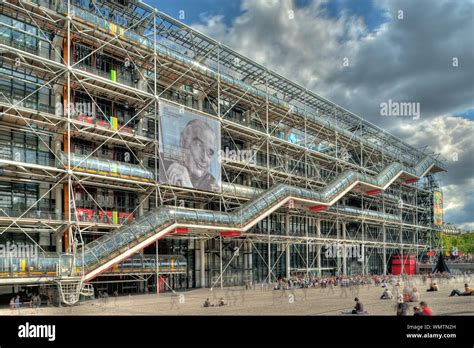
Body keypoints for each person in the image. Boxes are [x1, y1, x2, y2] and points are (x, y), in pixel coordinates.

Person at [162, 119, 219, 192]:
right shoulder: (162, 164)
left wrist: (189, 188)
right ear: (182, 141)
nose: (204, 158)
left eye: (210, 152)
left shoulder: (213, 186)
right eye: (199, 145)